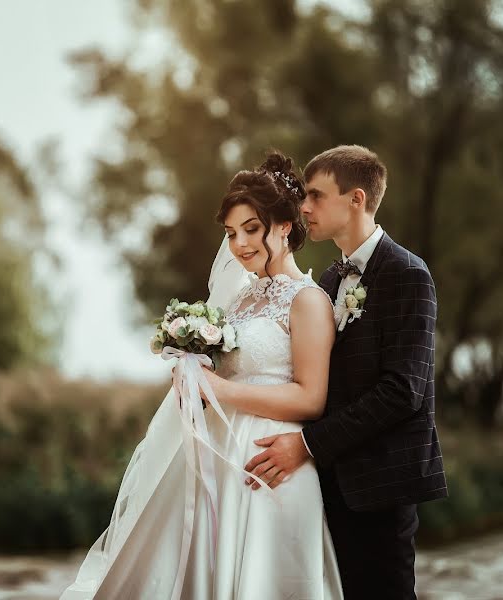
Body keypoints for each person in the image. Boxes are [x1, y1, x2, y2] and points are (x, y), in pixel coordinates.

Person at [61, 151, 344, 599]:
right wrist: (192, 375)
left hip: (269, 464)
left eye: (251, 229)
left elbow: (311, 398)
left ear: (285, 226)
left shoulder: (309, 301)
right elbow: (225, 374)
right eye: (232, 233)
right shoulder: (239, 302)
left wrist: (220, 388)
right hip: (216, 455)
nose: (239, 244)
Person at [240, 145, 448, 600]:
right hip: (323, 484)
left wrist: (308, 444)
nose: (305, 207)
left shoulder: (408, 273)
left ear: (356, 199)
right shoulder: (328, 282)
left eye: (315, 196)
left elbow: (402, 391)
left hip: (379, 486)